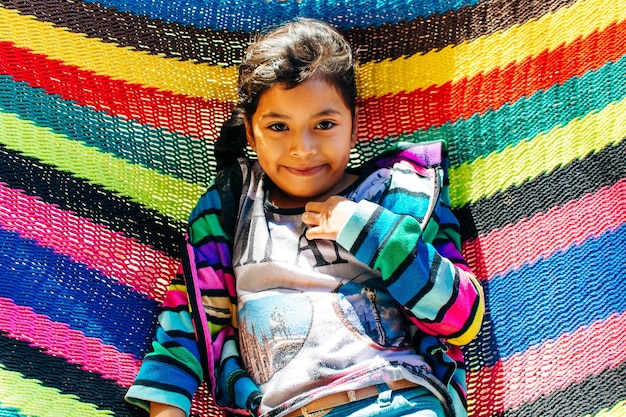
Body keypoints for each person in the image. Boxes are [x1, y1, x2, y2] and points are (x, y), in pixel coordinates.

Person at [126, 18, 484, 417]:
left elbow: (461, 317)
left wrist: (369, 229)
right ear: (250, 132)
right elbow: (191, 315)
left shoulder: (400, 195)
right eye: (278, 126)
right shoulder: (231, 207)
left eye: (325, 124)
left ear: (354, 127)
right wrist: (165, 408)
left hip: (398, 400)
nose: (303, 148)